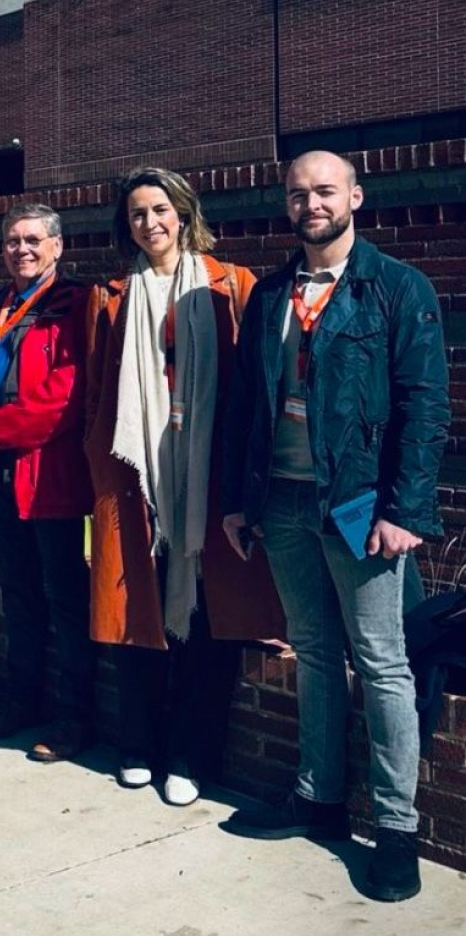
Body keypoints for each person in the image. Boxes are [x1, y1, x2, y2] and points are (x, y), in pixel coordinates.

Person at [221, 151, 449, 902]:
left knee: (382, 663)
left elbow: (424, 408)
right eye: (298, 193)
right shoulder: (273, 293)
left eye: (324, 190)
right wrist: (237, 500)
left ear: (355, 194)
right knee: (315, 651)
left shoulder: (395, 288)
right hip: (283, 502)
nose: (310, 202)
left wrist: (404, 512)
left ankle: (395, 829)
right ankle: (318, 799)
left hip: (357, 506)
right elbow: (246, 406)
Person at [84, 167, 284, 806]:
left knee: (211, 619)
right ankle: (138, 744)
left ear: (184, 212)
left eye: (160, 209)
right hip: (136, 475)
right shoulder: (112, 296)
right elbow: (97, 394)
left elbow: (257, 385)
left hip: (210, 477)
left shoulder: (234, 286)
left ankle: (191, 756)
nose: (150, 223)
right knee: (139, 612)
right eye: (138, 213)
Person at [0, 203, 95, 762]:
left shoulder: (73, 305)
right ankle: (22, 701)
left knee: (64, 598)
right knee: (18, 593)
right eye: (13, 241)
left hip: (49, 473)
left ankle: (74, 721)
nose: (22, 250)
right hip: (0, 467)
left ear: (58, 246)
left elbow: (64, 398)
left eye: (33, 240)